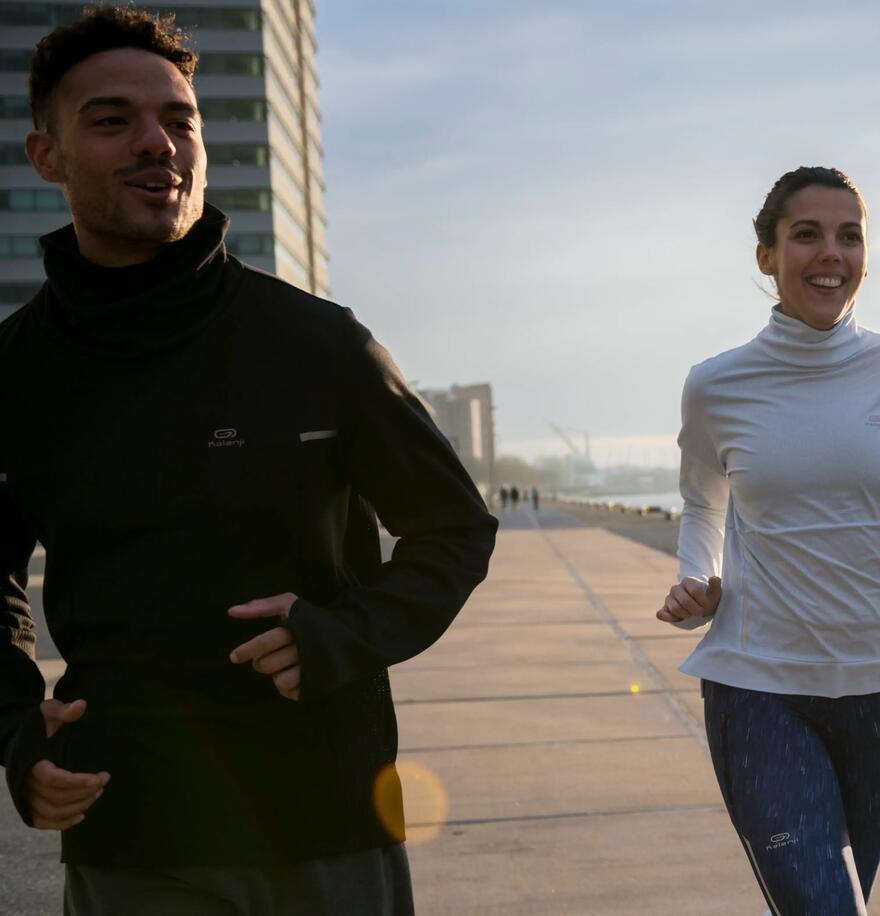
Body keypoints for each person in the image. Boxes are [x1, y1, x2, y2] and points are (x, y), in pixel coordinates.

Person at [0, 8, 497, 914]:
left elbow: (454, 527)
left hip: (322, 824)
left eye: (179, 120)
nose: (159, 142)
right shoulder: (13, 372)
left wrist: (347, 634)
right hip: (127, 829)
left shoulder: (316, 344)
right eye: (112, 121)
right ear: (47, 157)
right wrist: (15, 737)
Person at [657, 166, 880, 913]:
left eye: (849, 236)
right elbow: (704, 503)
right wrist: (699, 578)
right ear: (766, 256)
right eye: (807, 235)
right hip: (758, 685)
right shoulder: (717, 385)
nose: (832, 254)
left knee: (834, 897)